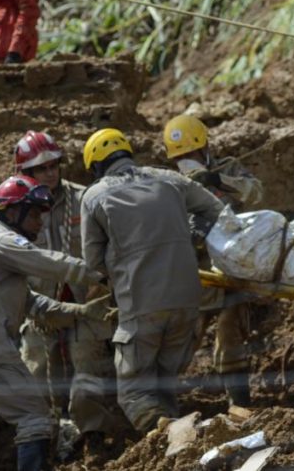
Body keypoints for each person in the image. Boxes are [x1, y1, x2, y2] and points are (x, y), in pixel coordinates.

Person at [80, 128, 224, 433]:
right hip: (187, 301)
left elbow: (92, 261)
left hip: (140, 304)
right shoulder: (170, 179)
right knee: (163, 386)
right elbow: (216, 210)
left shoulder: (93, 196)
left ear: (95, 166)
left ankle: (166, 436)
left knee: (134, 393)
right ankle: (176, 447)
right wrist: (192, 238)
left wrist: (121, 265)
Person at [0, 175, 110, 470]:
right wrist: (100, 273)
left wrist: (83, 311)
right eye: (33, 214)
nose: (40, 222)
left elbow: (35, 304)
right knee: (33, 417)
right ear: (11, 212)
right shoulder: (2, 242)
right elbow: (49, 263)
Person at [14, 130, 117, 456]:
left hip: (86, 302)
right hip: (39, 307)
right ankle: (44, 445)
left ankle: (94, 439)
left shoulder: (84, 198)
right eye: (42, 168)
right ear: (26, 173)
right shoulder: (15, 208)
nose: (51, 172)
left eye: (54, 165)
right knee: (36, 378)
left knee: (88, 375)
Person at [163, 114, 263, 407]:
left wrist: (219, 180)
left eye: (192, 154)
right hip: (195, 273)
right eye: (181, 157)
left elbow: (256, 193)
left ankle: (240, 403)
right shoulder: (171, 184)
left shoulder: (227, 167)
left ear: (204, 148)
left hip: (232, 266)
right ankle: (161, 403)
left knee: (230, 337)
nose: (187, 161)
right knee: (182, 341)